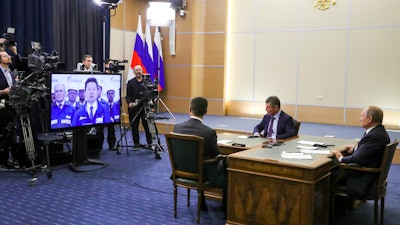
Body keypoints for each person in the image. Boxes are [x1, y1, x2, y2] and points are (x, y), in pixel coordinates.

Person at [173, 96, 227, 213]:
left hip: (180, 171)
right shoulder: (208, 132)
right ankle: (226, 209)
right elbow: (216, 155)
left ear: (190, 110)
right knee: (227, 169)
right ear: (206, 112)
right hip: (202, 175)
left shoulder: (177, 128)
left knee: (197, 160)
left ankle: (202, 202)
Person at [332, 106, 390, 198]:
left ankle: (328, 210)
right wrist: (355, 150)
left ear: (370, 119)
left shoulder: (374, 136)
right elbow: (369, 152)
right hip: (372, 174)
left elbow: (357, 159)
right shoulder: (379, 131)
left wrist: (340, 157)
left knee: (329, 174)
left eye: (362, 116)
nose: (360, 119)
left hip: (365, 179)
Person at [0, 50, 20, 168]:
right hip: (1, 107)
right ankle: (2, 160)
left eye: (8, 55)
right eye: (4, 56)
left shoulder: (12, 73)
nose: (8, 57)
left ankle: (12, 159)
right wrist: (3, 91)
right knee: (2, 134)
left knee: (13, 134)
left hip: (12, 107)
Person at [126, 65, 153, 149]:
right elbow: (127, 96)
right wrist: (129, 103)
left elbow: (152, 95)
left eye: (139, 70)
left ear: (142, 71)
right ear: (134, 72)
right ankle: (136, 144)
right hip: (134, 108)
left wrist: (152, 106)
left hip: (145, 107)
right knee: (134, 127)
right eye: (136, 70)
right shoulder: (130, 82)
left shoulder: (148, 82)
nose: (138, 71)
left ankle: (150, 143)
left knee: (148, 127)